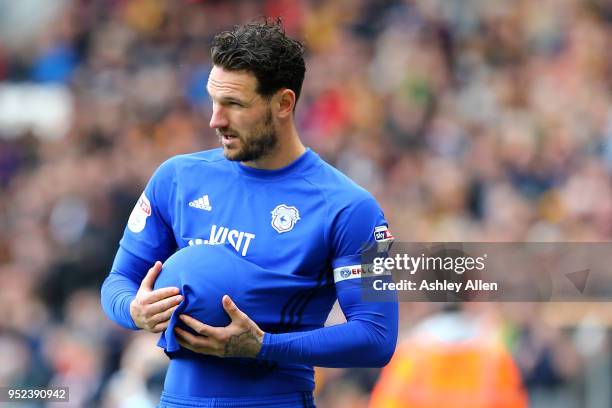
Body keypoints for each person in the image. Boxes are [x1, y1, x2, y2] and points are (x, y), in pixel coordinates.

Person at [101, 19, 398, 408]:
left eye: (235, 105)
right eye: (213, 100)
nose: (215, 120)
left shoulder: (352, 208)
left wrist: (263, 346)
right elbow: (118, 280)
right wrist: (134, 310)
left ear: (283, 103)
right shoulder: (176, 178)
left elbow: (377, 336)